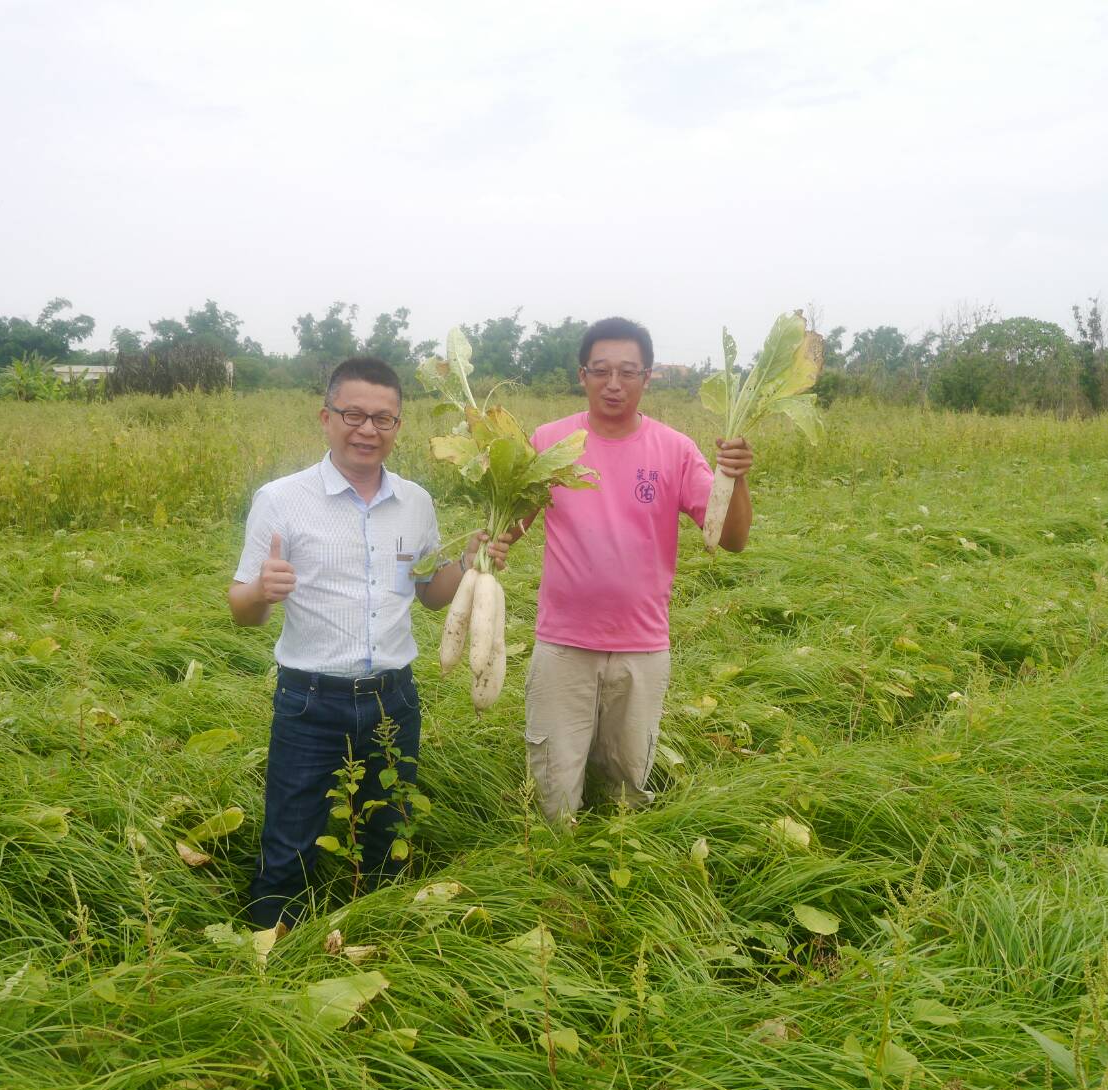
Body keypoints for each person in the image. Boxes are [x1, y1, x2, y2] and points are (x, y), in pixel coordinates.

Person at [227, 356, 489, 928]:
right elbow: (242, 611)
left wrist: (467, 561)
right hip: (308, 699)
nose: (367, 430)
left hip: (393, 699)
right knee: (289, 840)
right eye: (353, 414)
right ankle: (266, 947)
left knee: (389, 835)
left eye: (383, 419)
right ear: (326, 417)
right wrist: (262, 593)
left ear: (398, 426)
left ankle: (380, 934)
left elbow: (430, 594)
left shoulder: (416, 503)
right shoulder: (280, 499)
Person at [504, 317, 754, 825]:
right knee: (553, 792)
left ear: (647, 377)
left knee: (626, 790)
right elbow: (514, 520)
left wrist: (737, 478)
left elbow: (732, 540)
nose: (613, 384)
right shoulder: (551, 441)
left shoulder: (675, 449)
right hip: (563, 646)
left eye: (627, 372)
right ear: (583, 375)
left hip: (642, 647)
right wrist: (493, 543)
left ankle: (618, 883)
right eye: (601, 371)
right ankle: (553, 881)